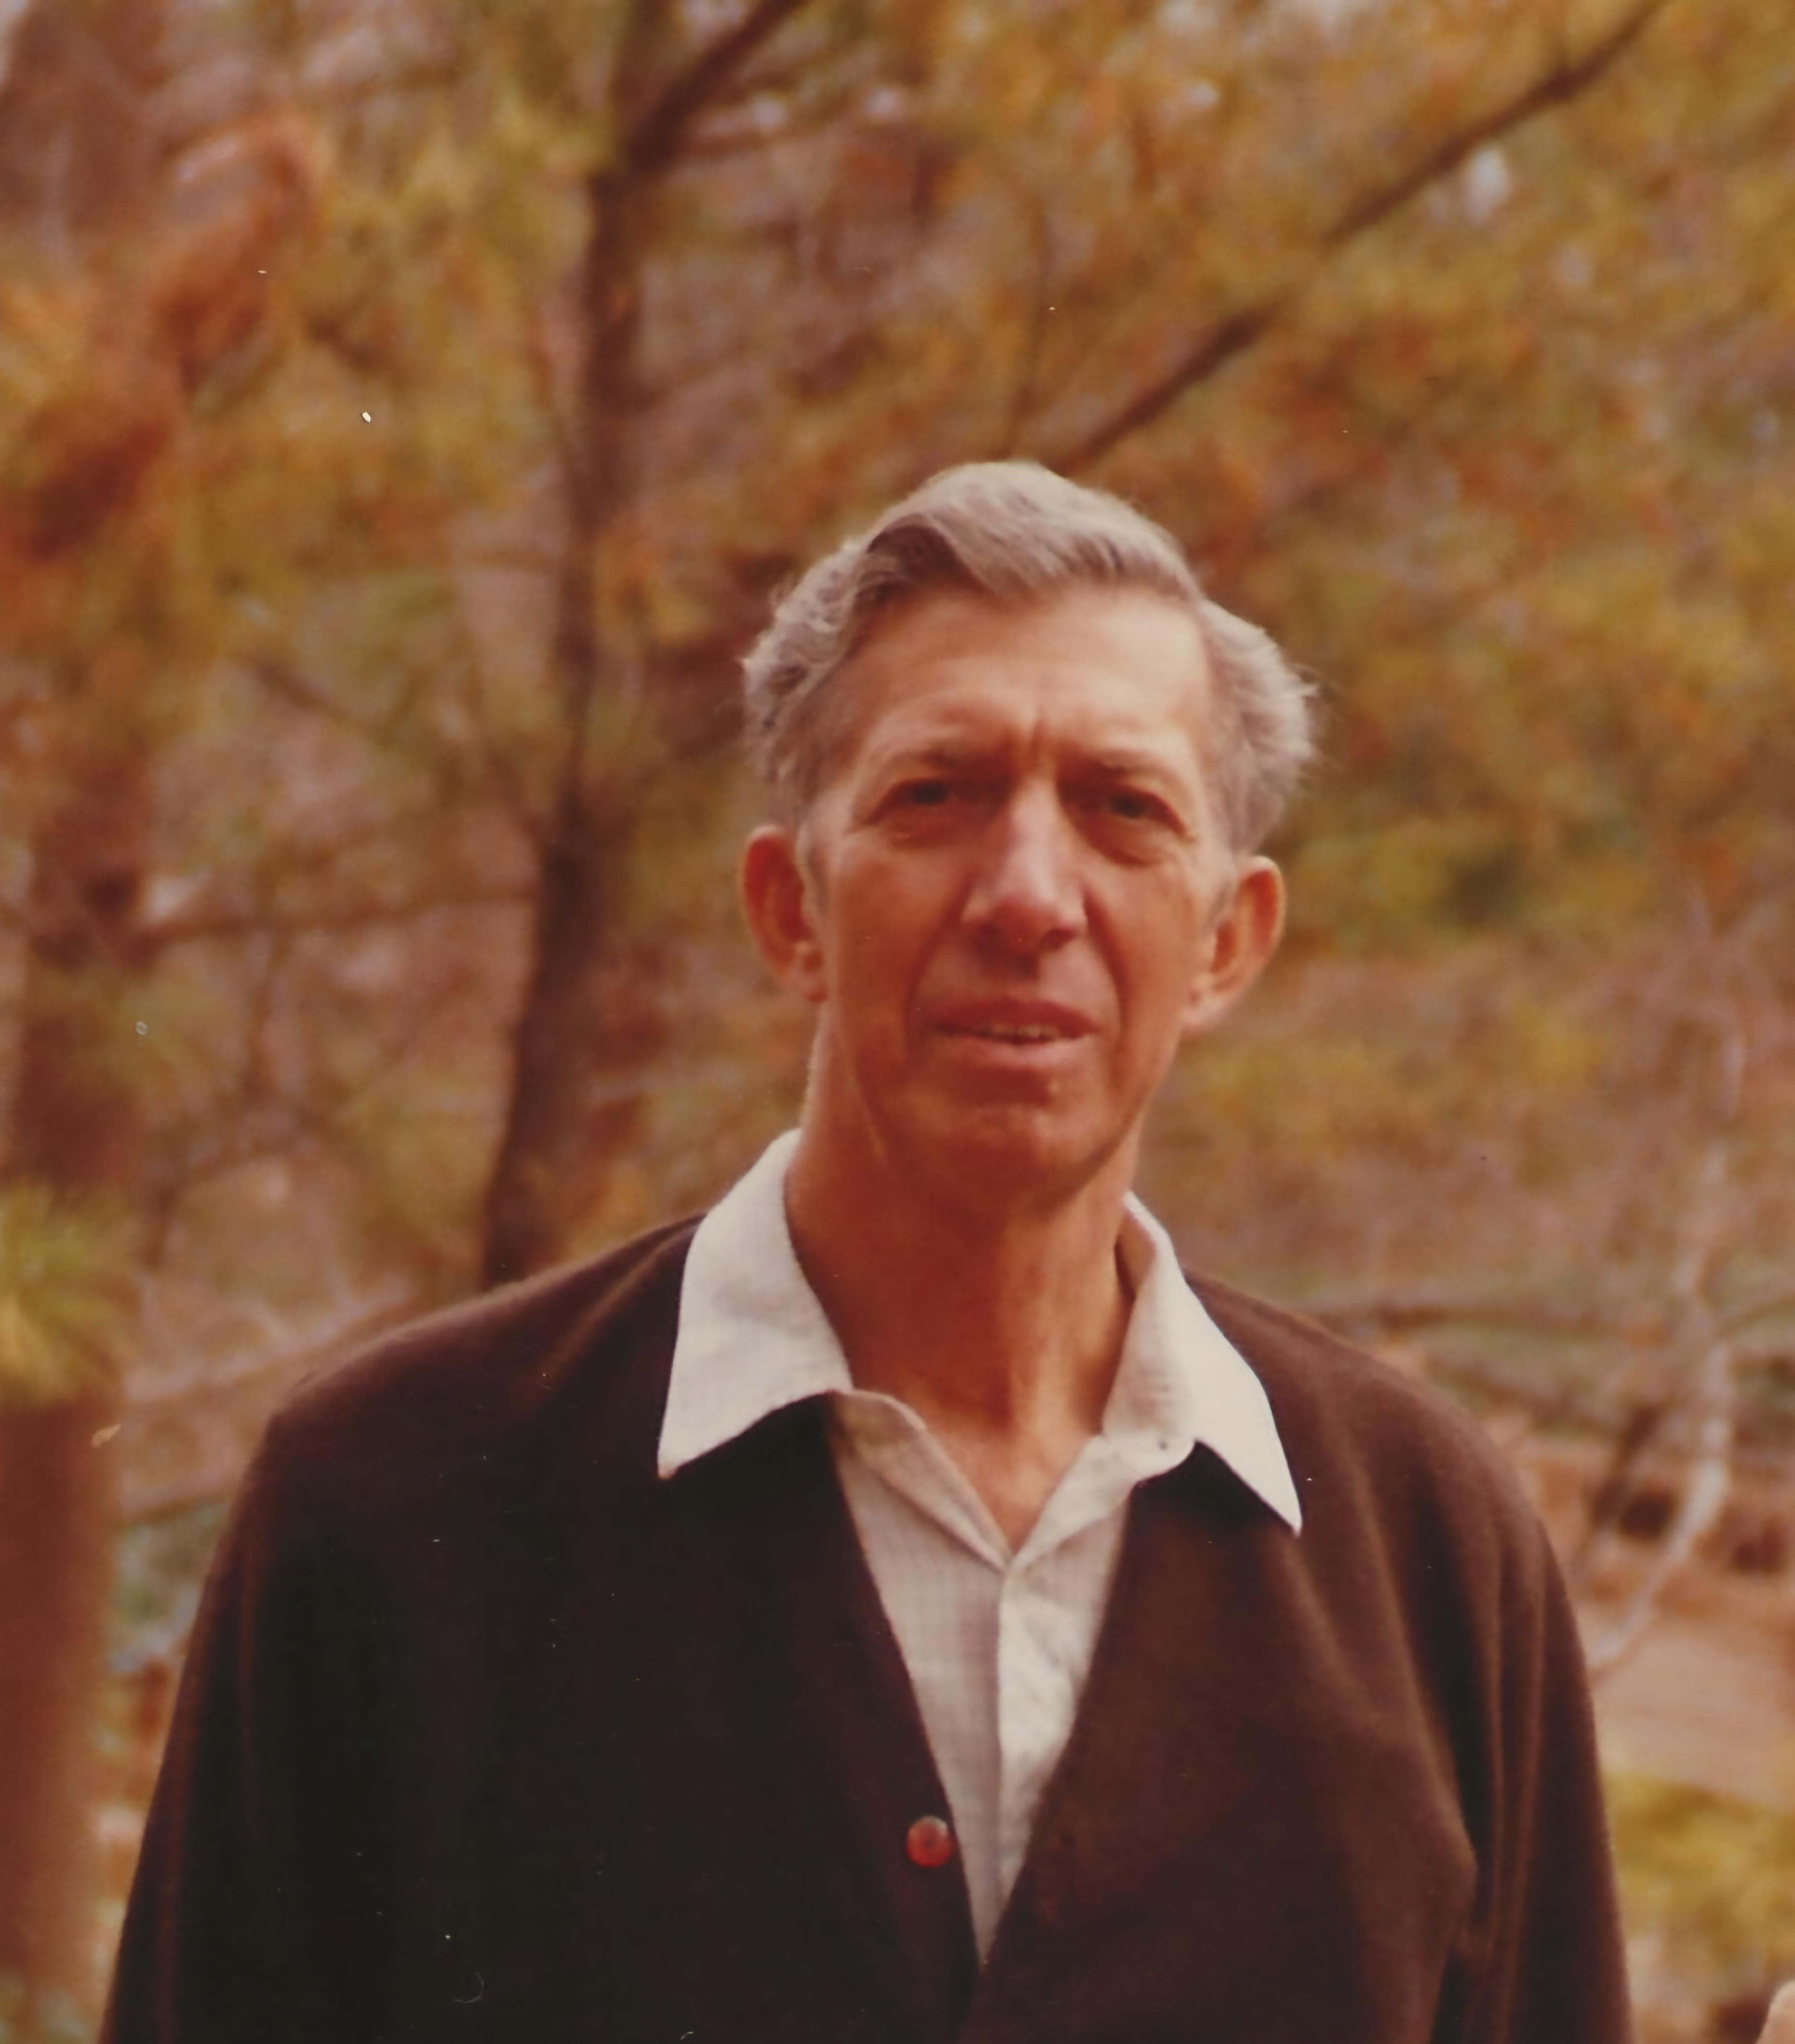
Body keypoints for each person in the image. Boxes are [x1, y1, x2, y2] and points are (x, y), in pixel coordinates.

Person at [105, 463, 1631, 2043]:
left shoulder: (1431, 1556)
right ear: (791, 912)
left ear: (1227, 942)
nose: (1028, 895)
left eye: (1122, 810)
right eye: (935, 795)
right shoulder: (395, 1500)